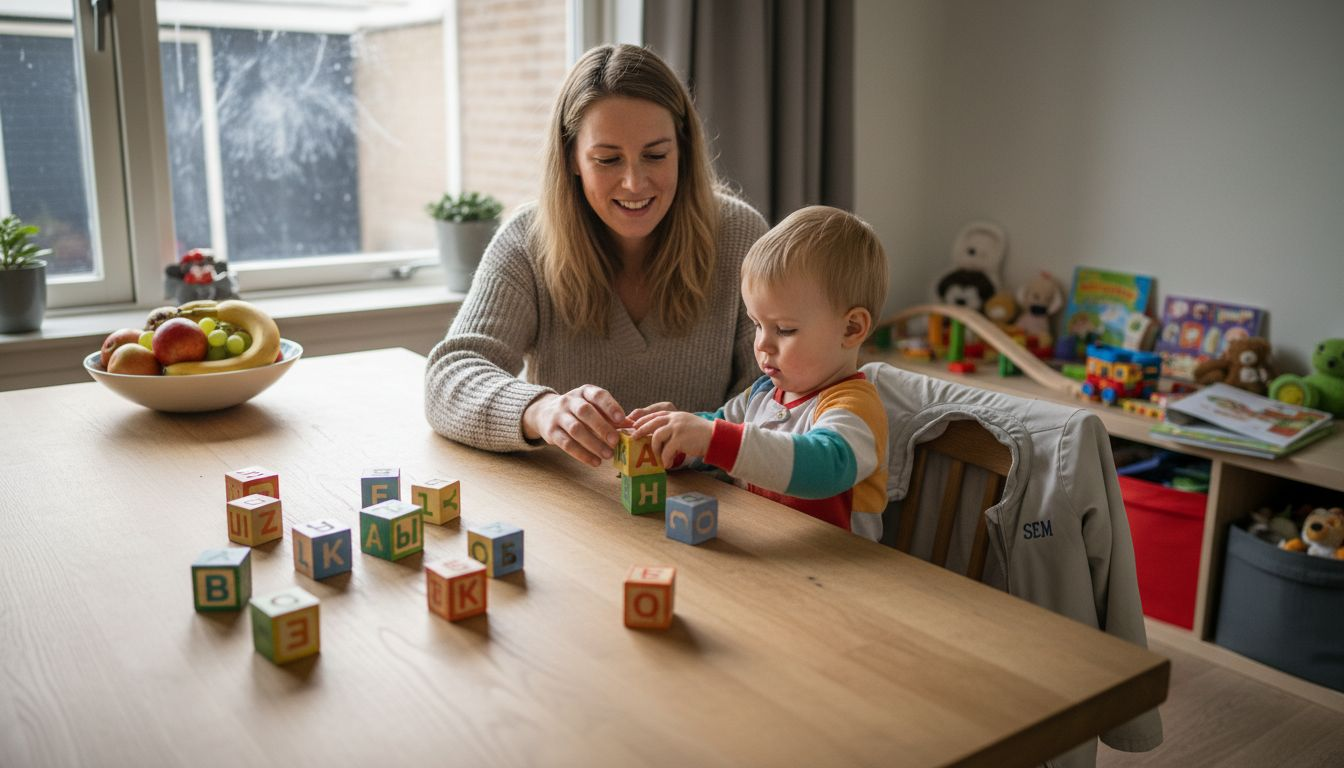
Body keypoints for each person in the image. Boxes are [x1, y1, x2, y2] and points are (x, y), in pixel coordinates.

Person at [424, 44, 768, 467]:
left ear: (683, 150)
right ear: (572, 158)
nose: (634, 183)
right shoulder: (528, 240)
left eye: (656, 155)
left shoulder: (741, 235)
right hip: (576, 509)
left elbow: (779, 399)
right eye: (607, 159)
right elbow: (448, 376)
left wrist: (702, 438)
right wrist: (540, 410)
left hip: (710, 507)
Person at [631, 206, 890, 539]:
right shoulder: (763, 393)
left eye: (783, 329)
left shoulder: (854, 407)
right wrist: (675, 442)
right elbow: (717, 430)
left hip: (840, 571)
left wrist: (710, 438)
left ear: (851, 328)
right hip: (766, 549)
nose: (763, 344)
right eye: (757, 325)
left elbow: (824, 468)